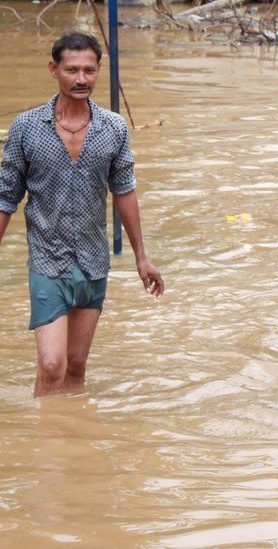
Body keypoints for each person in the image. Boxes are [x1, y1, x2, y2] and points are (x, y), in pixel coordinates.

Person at [0, 32, 165, 398]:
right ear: (53, 70)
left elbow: (124, 190)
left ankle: (70, 438)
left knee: (75, 366)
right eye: (72, 70)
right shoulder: (27, 128)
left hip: (93, 260)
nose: (81, 79)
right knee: (51, 364)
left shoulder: (113, 128)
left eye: (89, 70)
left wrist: (142, 257)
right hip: (46, 260)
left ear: (98, 71)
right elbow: (6, 197)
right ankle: (47, 446)